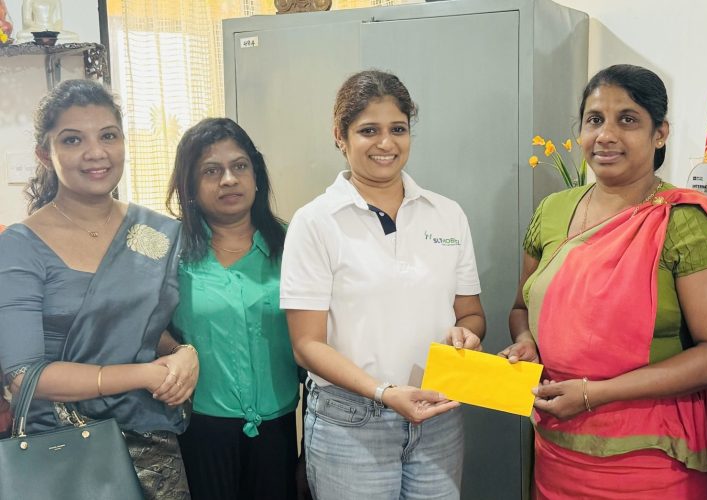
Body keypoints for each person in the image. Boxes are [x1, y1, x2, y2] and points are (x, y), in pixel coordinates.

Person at [502, 64, 707, 499]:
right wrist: (527, 342)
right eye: (595, 120)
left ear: (660, 133)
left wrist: (595, 393)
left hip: (650, 459)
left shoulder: (686, 222)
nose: (606, 135)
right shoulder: (553, 209)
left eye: (627, 119)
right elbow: (521, 309)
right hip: (556, 448)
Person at [280, 70, 486, 500]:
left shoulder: (447, 214)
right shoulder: (316, 222)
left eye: (398, 129)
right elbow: (307, 345)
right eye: (368, 130)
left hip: (437, 415)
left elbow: (470, 312)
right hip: (350, 422)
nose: (386, 144)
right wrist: (384, 392)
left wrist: (468, 334)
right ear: (340, 135)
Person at [0, 79, 197, 499]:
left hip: (152, 443)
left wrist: (181, 353)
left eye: (108, 135)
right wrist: (143, 375)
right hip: (62, 450)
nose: (96, 152)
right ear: (45, 154)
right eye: (73, 140)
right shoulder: (19, 245)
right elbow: (24, 376)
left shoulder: (155, 232)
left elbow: (141, 326)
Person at [166, 117, 302, 500]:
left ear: (256, 176)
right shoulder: (170, 253)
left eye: (239, 166)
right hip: (198, 431)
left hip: (278, 432)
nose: (228, 179)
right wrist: (175, 351)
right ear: (190, 186)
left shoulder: (294, 245)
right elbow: (142, 328)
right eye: (211, 171)